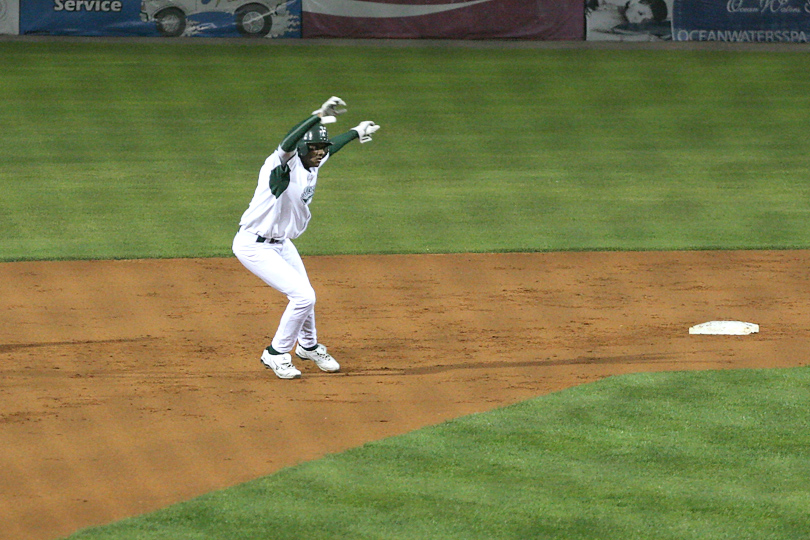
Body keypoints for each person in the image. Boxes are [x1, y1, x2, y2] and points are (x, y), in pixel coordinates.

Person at [232, 96, 380, 379]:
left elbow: (331, 148)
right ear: (302, 148)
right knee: (302, 296)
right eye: (313, 147)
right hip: (253, 244)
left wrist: (356, 133)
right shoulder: (280, 163)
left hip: (282, 243)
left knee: (306, 296)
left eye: (320, 148)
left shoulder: (314, 163)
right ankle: (276, 353)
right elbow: (287, 142)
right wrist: (317, 117)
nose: (320, 152)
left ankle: (308, 347)